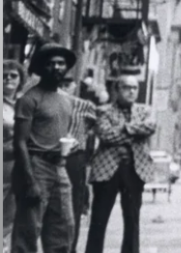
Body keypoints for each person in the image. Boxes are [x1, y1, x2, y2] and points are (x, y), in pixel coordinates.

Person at [12, 44, 77, 253]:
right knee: (28, 230)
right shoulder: (29, 99)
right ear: (41, 68)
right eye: (50, 64)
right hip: (35, 165)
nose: (56, 67)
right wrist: (29, 181)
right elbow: (20, 141)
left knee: (63, 227)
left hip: (59, 166)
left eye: (60, 63)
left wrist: (69, 145)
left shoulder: (66, 101)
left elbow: (58, 133)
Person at [84, 74, 156, 253]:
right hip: (107, 170)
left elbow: (150, 127)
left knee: (132, 220)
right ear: (116, 90)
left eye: (134, 88)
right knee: (99, 220)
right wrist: (135, 131)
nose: (131, 92)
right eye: (126, 87)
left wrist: (124, 128)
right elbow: (106, 136)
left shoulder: (145, 110)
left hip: (135, 169)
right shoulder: (103, 110)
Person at [56, 78, 95, 253]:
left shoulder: (83, 106)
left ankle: (69, 248)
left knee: (72, 205)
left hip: (73, 158)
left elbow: (91, 129)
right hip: (46, 155)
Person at [4, 61, 27, 253]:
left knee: (10, 212)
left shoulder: (24, 102)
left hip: (19, 165)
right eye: (4, 75)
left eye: (13, 75)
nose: (8, 79)